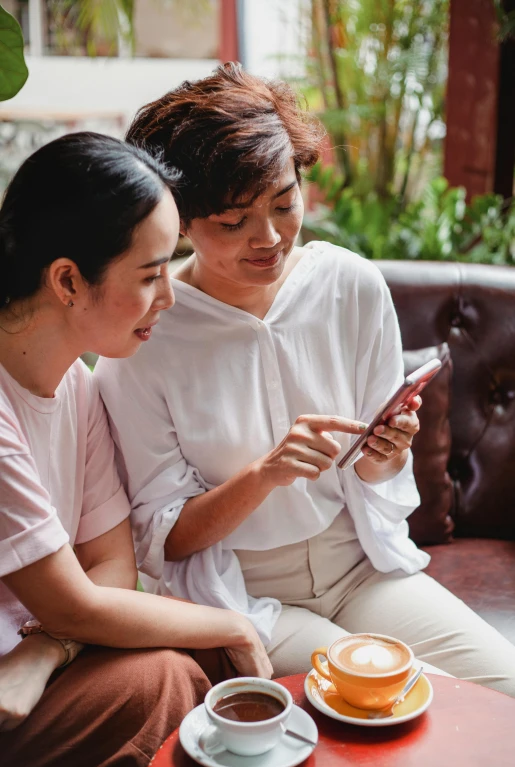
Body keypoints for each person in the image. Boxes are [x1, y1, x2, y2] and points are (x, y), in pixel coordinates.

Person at [96, 63, 515, 696]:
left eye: (285, 204)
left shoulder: (351, 285)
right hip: (240, 591)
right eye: (233, 223)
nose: (269, 239)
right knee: (411, 701)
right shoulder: (146, 336)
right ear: (179, 220)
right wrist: (263, 476)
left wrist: (385, 452)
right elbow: (166, 541)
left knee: (503, 688)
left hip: (360, 568)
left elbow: (374, 480)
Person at [0, 132, 272, 767]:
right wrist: (232, 621)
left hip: (34, 667)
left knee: (199, 656)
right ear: (67, 280)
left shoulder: (77, 385)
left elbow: (113, 568)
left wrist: (49, 645)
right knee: (173, 673)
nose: (169, 298)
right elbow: (74, 601)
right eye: (150, 276)